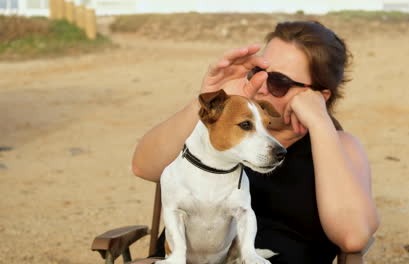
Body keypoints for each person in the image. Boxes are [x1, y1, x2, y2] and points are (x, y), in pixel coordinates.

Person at [132, 21, 379, 264]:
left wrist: (321, 124)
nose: (261, 87)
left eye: (279, 82)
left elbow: (353, 237)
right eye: (258, 73)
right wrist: (210, 99)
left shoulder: (341, 146)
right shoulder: (219, 128)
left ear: (319, 95)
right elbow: (143, 166)